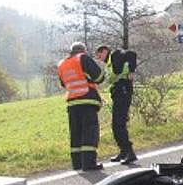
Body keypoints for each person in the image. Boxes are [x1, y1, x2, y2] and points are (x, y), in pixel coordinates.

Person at [57, 42, 105, 171]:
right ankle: (89, 164)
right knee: (89, 132)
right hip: (87, 99)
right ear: (83, 50)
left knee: (76, 133)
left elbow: (63, 83)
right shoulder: (83, 58)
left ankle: (77, 164)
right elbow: (99, 77)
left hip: (72, 102)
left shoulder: (62, 64)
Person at [96, 45, 137, 164]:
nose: (99, 58)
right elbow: (110, 78)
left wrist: (132, 71)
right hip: (118, 92)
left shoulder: (115, 55)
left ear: (105, 51)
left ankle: (129, 152)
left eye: (100, 55)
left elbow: (132, 54)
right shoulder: (108, 63)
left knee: (118, 124)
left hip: (123, 90)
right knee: (116, 124)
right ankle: (123, 151)